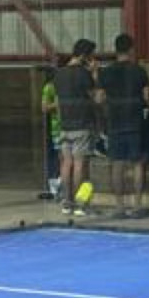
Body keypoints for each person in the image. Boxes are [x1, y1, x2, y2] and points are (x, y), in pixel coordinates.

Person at [98, 32, 149, 217]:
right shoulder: (139, 71)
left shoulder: (106, 72)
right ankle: (137, 205)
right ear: (131, 49)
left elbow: (99, 98)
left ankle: (119, 206)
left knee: (117, 164)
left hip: (114, 122)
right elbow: (147, 97)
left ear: (115, 49)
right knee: (137, 164)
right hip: (135, 122)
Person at [54, 39, 100, 217]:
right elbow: (96, 98)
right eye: (91, 55)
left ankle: (67, 203)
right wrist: (94, 73)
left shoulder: (59, 74)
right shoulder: (84, 74)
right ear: (85, 56)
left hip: (65, 124)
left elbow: (57, 101)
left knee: (66, 163)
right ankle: (80, 204)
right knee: (80, 163)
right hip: (82, 123)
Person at [39, 62, 63, 201]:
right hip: (56, 128)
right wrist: (58, 104)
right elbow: (44, 108)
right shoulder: (49, 88)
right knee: (60, 157)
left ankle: (61, 186)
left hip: (66, 126)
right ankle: (56, 188)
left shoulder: (63, 85)